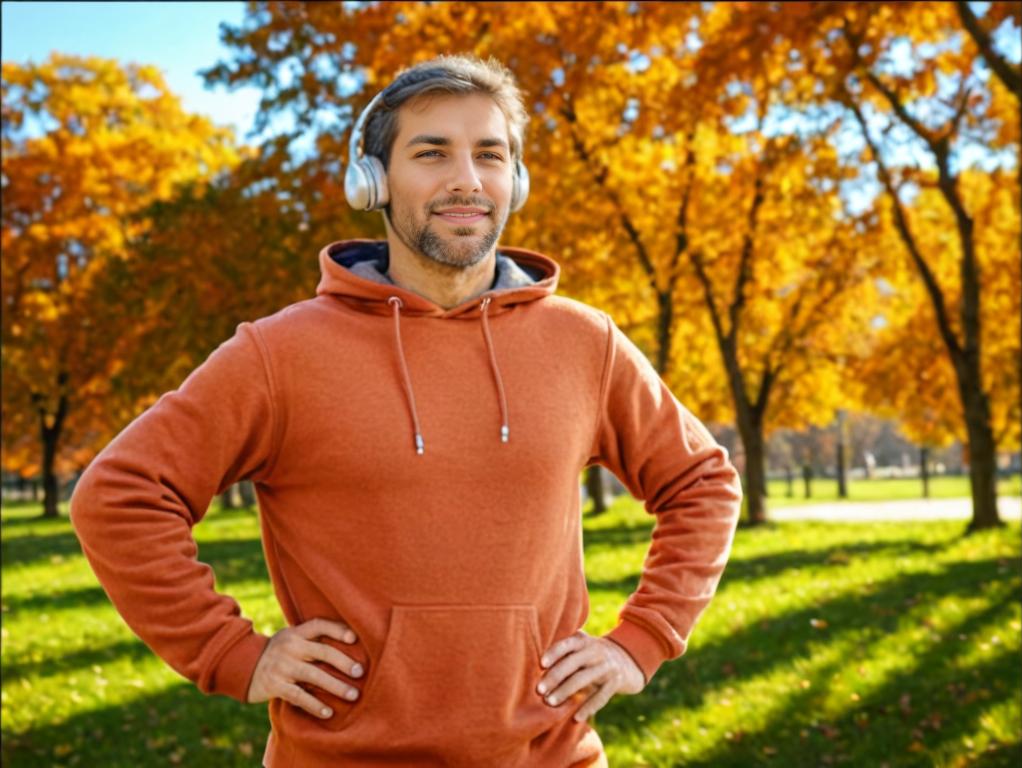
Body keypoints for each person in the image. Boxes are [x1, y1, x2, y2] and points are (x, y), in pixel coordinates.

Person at [70, 53, 743, 768]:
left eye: (490, 154)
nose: (467, 180)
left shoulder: (586, 343)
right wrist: (231, 653)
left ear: (515, 180)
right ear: (373, 179)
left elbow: (701, 483)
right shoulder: (278, 353)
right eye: (432, 153)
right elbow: (119, 497)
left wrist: (642, 641)